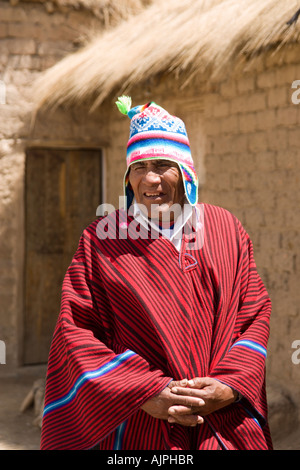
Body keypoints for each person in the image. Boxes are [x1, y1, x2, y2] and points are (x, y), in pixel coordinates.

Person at [40, 97, 273, 450]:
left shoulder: (226, 230)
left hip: (221, 421)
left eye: (163, 165)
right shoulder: (102, 240)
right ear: (128, 179)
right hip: (140, 424)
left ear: (186, 172)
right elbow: (77, 331)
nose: (151, 179)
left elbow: (254, 314)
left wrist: (229, 385)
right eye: (139, 167)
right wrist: (145, 392)